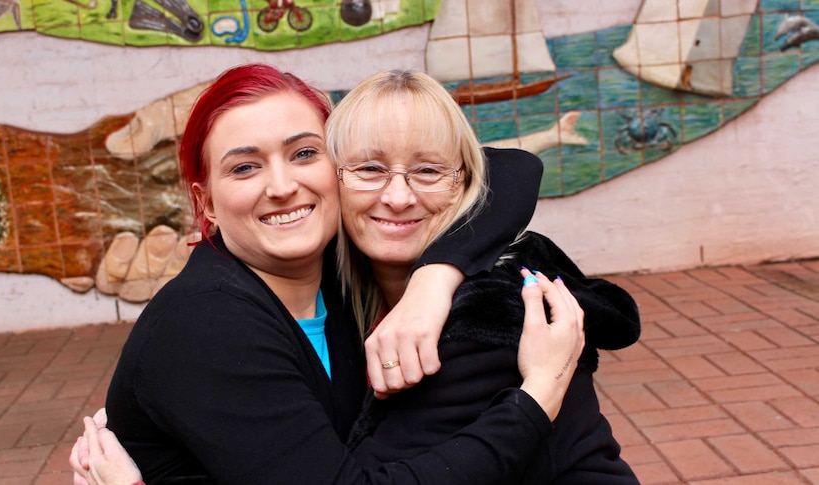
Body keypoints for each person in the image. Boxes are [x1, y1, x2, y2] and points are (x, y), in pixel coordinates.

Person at [71, 63, 585, 484]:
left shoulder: (334, 279)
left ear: (337, 168)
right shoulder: (207, 323)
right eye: (244, 167)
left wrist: (433, 282)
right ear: (206, 204)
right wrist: (538, 396)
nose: (282, 185)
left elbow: (507, 170)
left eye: (304, 153)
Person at [326, 69, 641, 483]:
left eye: (428, 172)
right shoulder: (338, 284)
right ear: (332, 181)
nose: (398, 197)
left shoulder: (491, 315)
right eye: (369, 169)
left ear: (465, 184)